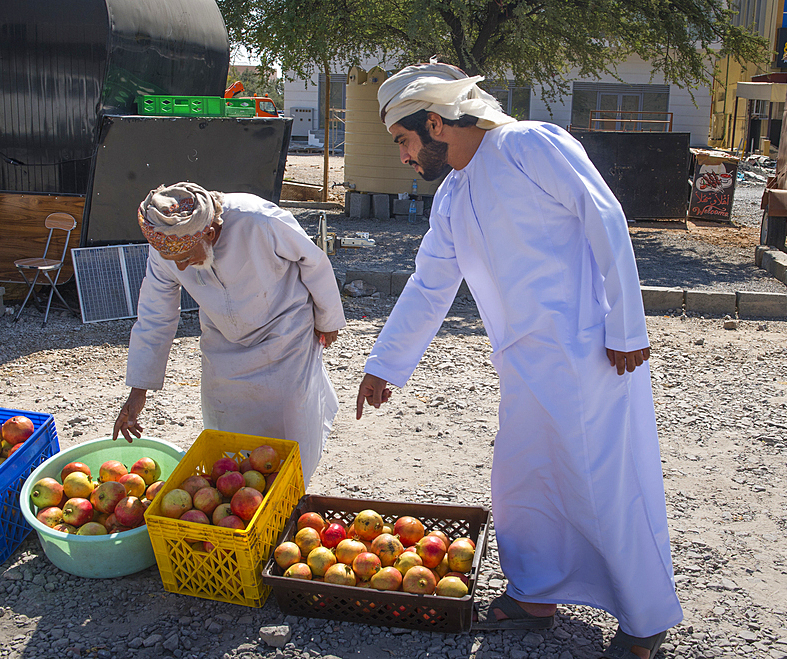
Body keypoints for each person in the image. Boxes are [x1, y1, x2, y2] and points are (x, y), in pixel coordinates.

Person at [355, 62, 682, 659]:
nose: (404, 156)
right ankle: (535, 595)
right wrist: (386, 364)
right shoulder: (453, 194)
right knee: (521, 483)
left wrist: (626, 322)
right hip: (523, 365)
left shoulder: (529, 143)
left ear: (435, 122)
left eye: (403, 140)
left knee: (604, 487)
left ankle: (644, 623)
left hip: (592, 356)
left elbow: (603, 217)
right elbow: (430, 285)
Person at [114, 182, 345, 485]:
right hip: (223, 339)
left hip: (285, 332)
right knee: (224, 424)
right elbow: (155, 316)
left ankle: (290, 494)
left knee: (292, 423)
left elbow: (313, 261)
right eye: (175, 261)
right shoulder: (166, 246)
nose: (181, 266)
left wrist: (327, 319)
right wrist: (138, 390)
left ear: (209, 232)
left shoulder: (258, 219)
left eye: (185, 257)